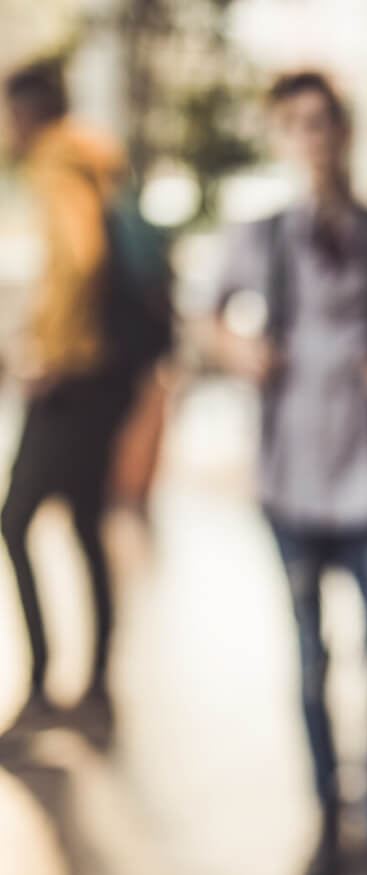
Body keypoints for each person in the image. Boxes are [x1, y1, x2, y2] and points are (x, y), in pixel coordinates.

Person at [210, 72, 367, 875]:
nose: (312, 138)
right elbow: (206, 314)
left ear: (344, 132)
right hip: (290, 484)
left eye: (323, 122)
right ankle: (327, 826)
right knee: (310, 663)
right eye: (295, 125)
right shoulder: (262, 239)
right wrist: (239, 352)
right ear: (284, 138)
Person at [1, 61, 133, 733]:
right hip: (101, 381)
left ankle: (43, 686)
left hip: (71, 379)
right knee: (82, 526)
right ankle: (98, 686)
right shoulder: (93, 162)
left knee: (15, 520)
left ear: (28, 113)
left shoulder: (56, 167)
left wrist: (50, 354)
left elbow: (79, 261)